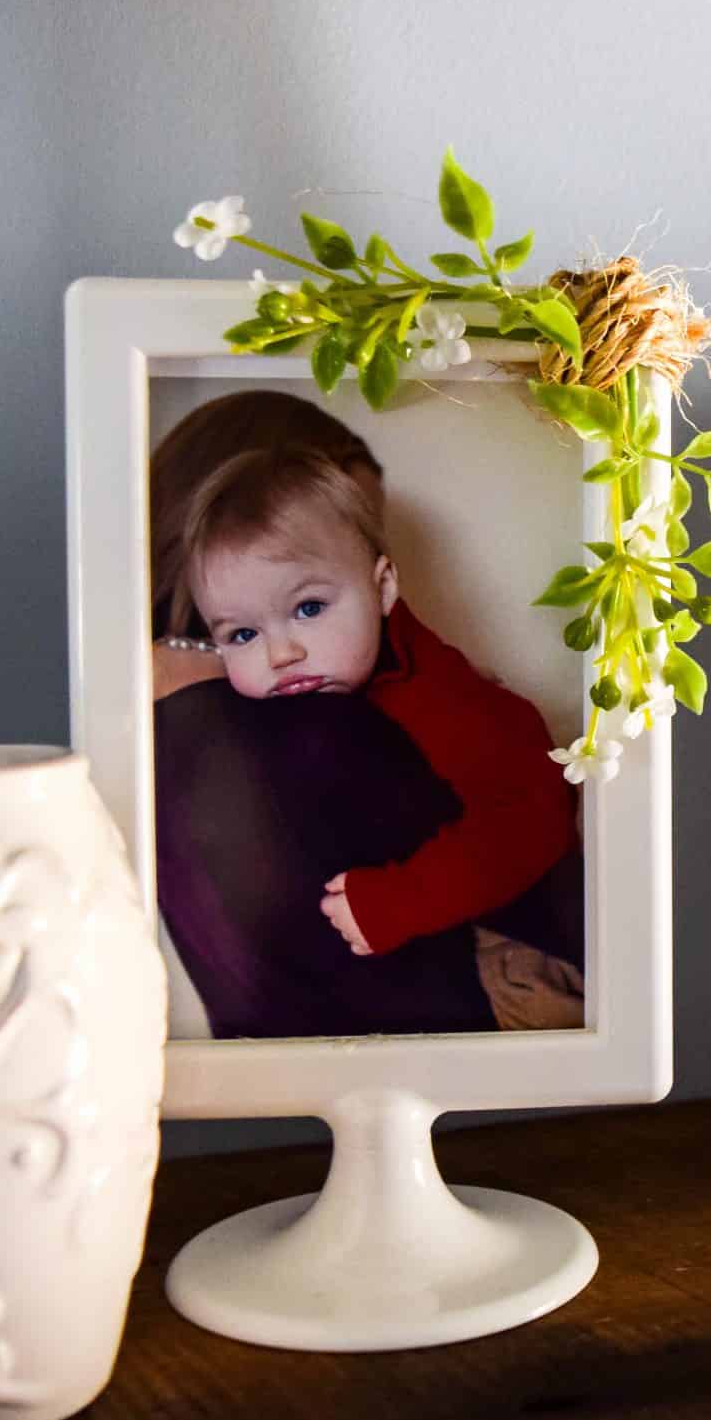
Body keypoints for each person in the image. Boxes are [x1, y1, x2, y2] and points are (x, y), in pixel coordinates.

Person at [147, 390, 583, 1038]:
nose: (284, 652)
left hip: (523, 971)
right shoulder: (230, 710)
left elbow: (533, 811)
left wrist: (401, 899)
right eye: (241, 632)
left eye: (312, 604)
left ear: (381, 585)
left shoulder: (430, 691)